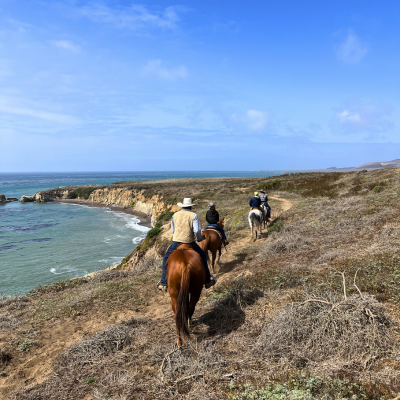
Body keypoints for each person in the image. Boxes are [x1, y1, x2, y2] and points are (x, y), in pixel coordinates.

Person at [157, 197, 216, 292]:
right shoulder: (193, 215)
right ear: (191, 206)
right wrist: (199, 238)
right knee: (203, 257)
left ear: (183, 206)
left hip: (176, 242)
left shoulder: (175, 215)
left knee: (165, 259)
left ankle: (164, 283)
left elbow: (173, 230)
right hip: (189, 242)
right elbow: (197, 231)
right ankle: (208, 280)